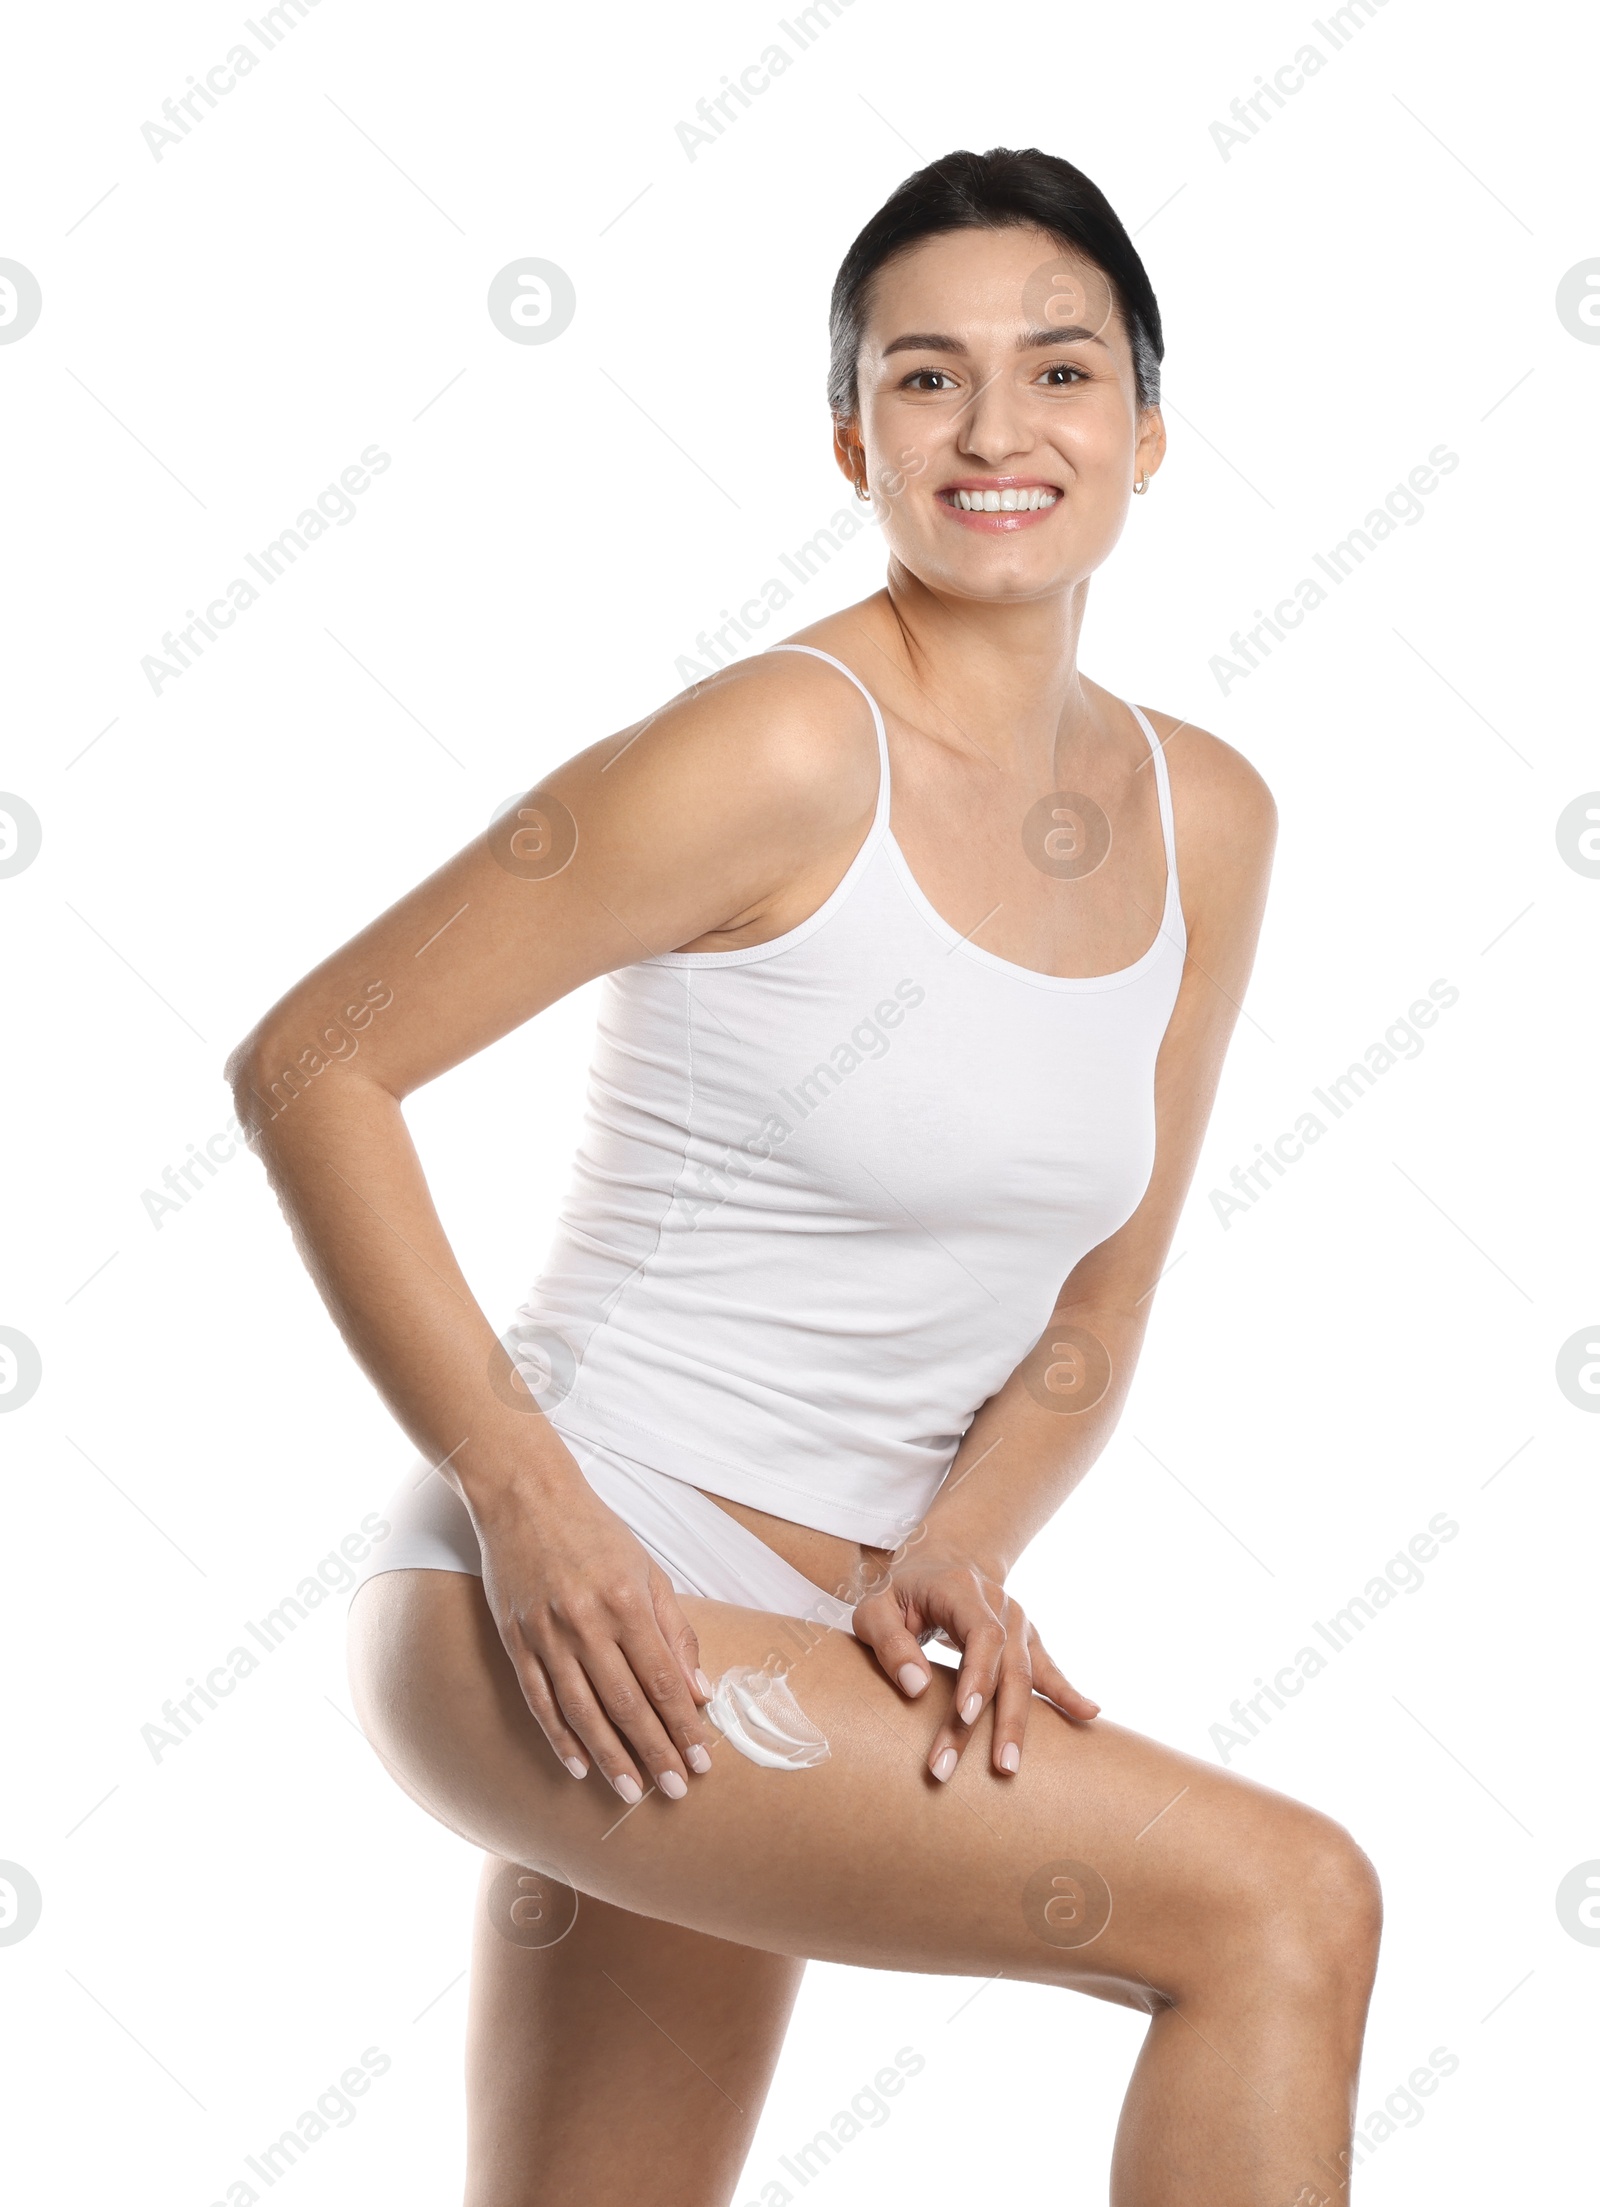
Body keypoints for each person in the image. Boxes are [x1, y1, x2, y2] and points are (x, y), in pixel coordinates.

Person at [227, 146, 1380, 2207]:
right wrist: (530, 1504)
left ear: (1147, 427)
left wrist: (957, 1544)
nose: (997, 429)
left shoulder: (1202, 816)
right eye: (925, 380)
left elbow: (1093, 1311)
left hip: (815, 1619)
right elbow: (316, 1066)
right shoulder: (779, 747)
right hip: (573, 1593)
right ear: (850, 437)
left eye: (1059, 371)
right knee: (1279, 1910)